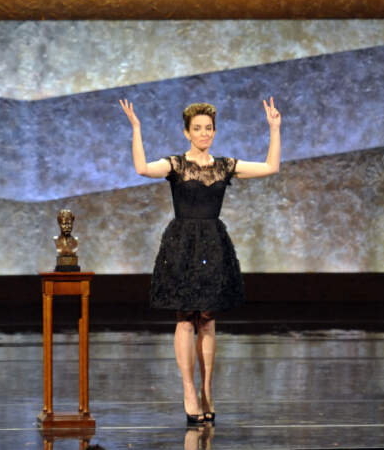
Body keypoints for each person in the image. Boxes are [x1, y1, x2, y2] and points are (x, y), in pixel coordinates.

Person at [119, 96, 281, 426]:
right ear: (187, 132)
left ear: (214, 132)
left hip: (213, 245)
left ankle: (207, 390)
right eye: (198, 128)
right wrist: (136, 129)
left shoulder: (224, 166)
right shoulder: (177, 164)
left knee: (206, 318)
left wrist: (275, 129)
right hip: (181, 246)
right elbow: (142, 168)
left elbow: (271, 167)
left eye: (209, 128)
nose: (204, 133)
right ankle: (189, 391)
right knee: (184, 318)